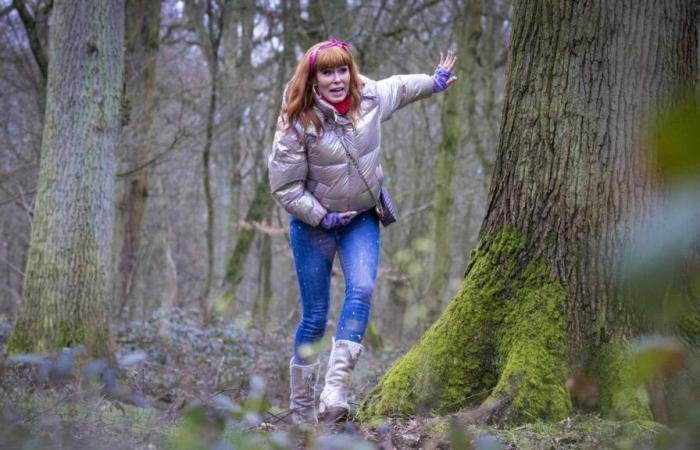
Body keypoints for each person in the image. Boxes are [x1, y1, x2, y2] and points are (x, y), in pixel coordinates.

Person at [268, 38, 457, 424]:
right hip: (313, 226)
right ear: (314, 78)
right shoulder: (296, 121)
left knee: (364, 289)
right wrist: (320, 216)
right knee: (315, 316)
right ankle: (301, 409)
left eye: (342, 70)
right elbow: (284, 186)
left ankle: (335, 393)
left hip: (361, 219)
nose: (337, 79)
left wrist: (434, 82)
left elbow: (401, 87)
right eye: (327, 72)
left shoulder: (369, 98)